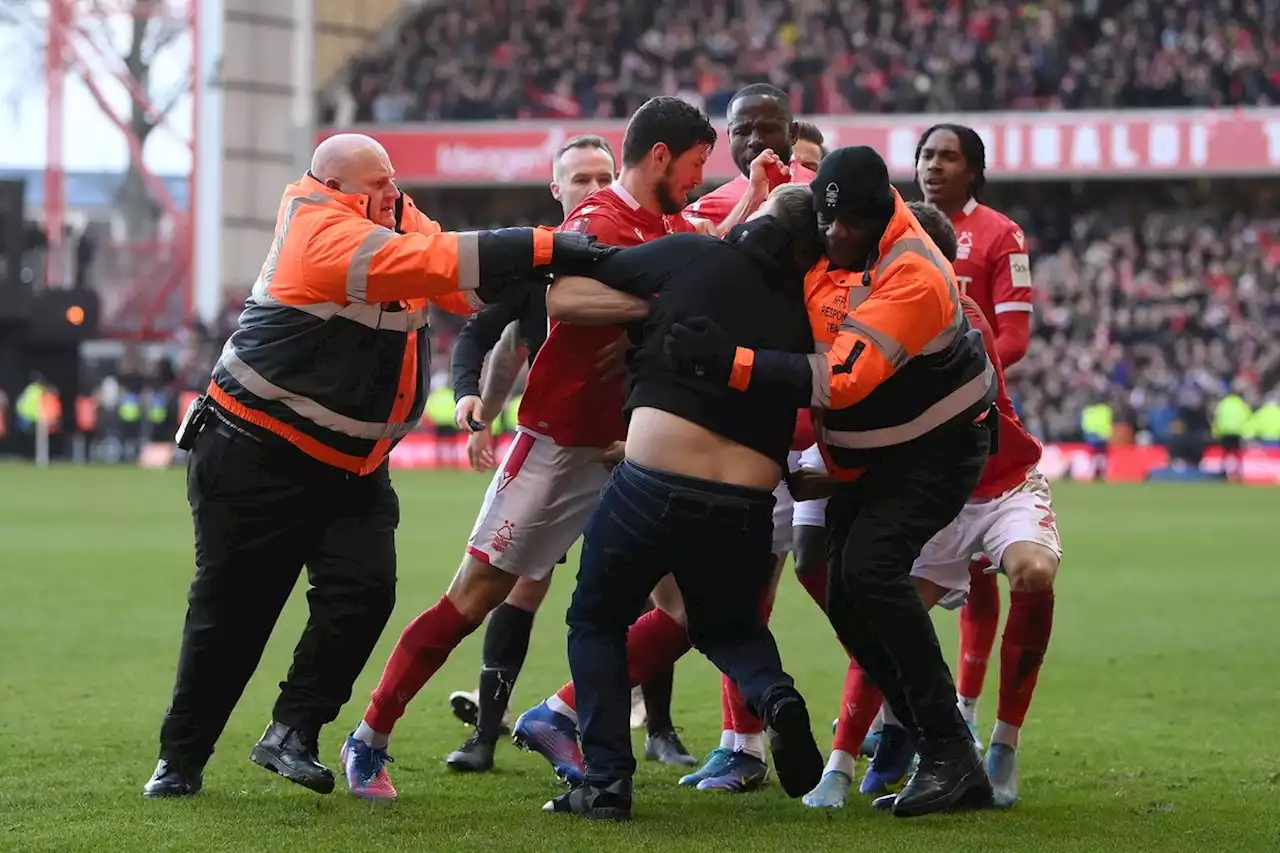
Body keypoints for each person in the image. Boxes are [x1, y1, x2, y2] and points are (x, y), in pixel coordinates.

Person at [141, 133, 613, 799]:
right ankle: (180, 758)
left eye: (393, 181)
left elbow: (457, 284)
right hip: (257, 454)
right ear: (337, 191)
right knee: (233, 612)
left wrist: (560, 267)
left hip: (350, 462)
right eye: (378, 186)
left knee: (364, 594)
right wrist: (546, 245)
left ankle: (293, 730)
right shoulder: (319, 230)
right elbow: (427, 259)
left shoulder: (387, 211)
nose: (395, 195)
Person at [340, 97, 716, 802]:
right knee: (476, 594)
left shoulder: (671, 220)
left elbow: (718, 238)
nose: (700, 180)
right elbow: (566, 300)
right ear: (660, 156)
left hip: (630, 446)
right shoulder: (598, 221)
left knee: (689, 607)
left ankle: (558, 714)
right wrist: (655, 310)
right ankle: (369, 735)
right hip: (557, 444)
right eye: (695, 164)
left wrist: (759, 196)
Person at [663, 146, 997, 817]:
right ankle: (944, 748)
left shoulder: (914, 275)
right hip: (877, 454)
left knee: (871, 571)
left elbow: (840, 383)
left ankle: (948, 751)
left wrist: (730, 362)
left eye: (844, 227)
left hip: (938, 449)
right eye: (824, 221)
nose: (830, 235)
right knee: (844, 591)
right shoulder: (839, 233)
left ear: (879, 218)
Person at [540, 183, 827, 820]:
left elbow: (587, 267)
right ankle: (776, 697)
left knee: (596, 620)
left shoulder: (693, 254)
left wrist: (654, 307)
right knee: (732, 626)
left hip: (652, 480)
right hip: (748, 502)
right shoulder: (811, 305)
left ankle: (608, 783)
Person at [442, 134, 686, 773]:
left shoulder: (642, 248)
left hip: (629, 447)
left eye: (604, 174)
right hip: (560, 445)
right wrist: (476, 408)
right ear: (558, 191)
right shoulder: (543, 265)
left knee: (660, 590)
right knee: (523, 586)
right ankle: (487, 737)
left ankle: (658, 727)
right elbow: (486, 338)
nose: (595, 185)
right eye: (580, 178)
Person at [806, 201, 1058, 810]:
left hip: (996, 484)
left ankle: (1000, 746)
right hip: (934, 498)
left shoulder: (952, 316)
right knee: (882, 607)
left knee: (1033, 571)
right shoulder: (878, 312)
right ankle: (845, 761)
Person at [916, 123, 1046, 751]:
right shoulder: (894, 228)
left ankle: (966, 706)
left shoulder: (1000, 234)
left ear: (974, 169)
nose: (934, 166)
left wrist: (962, 364)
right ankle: (896, 710)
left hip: (973, 410)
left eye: (948, 156)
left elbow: (1015, 337)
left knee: (987, 567)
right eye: (926, 155)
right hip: (914, 422)